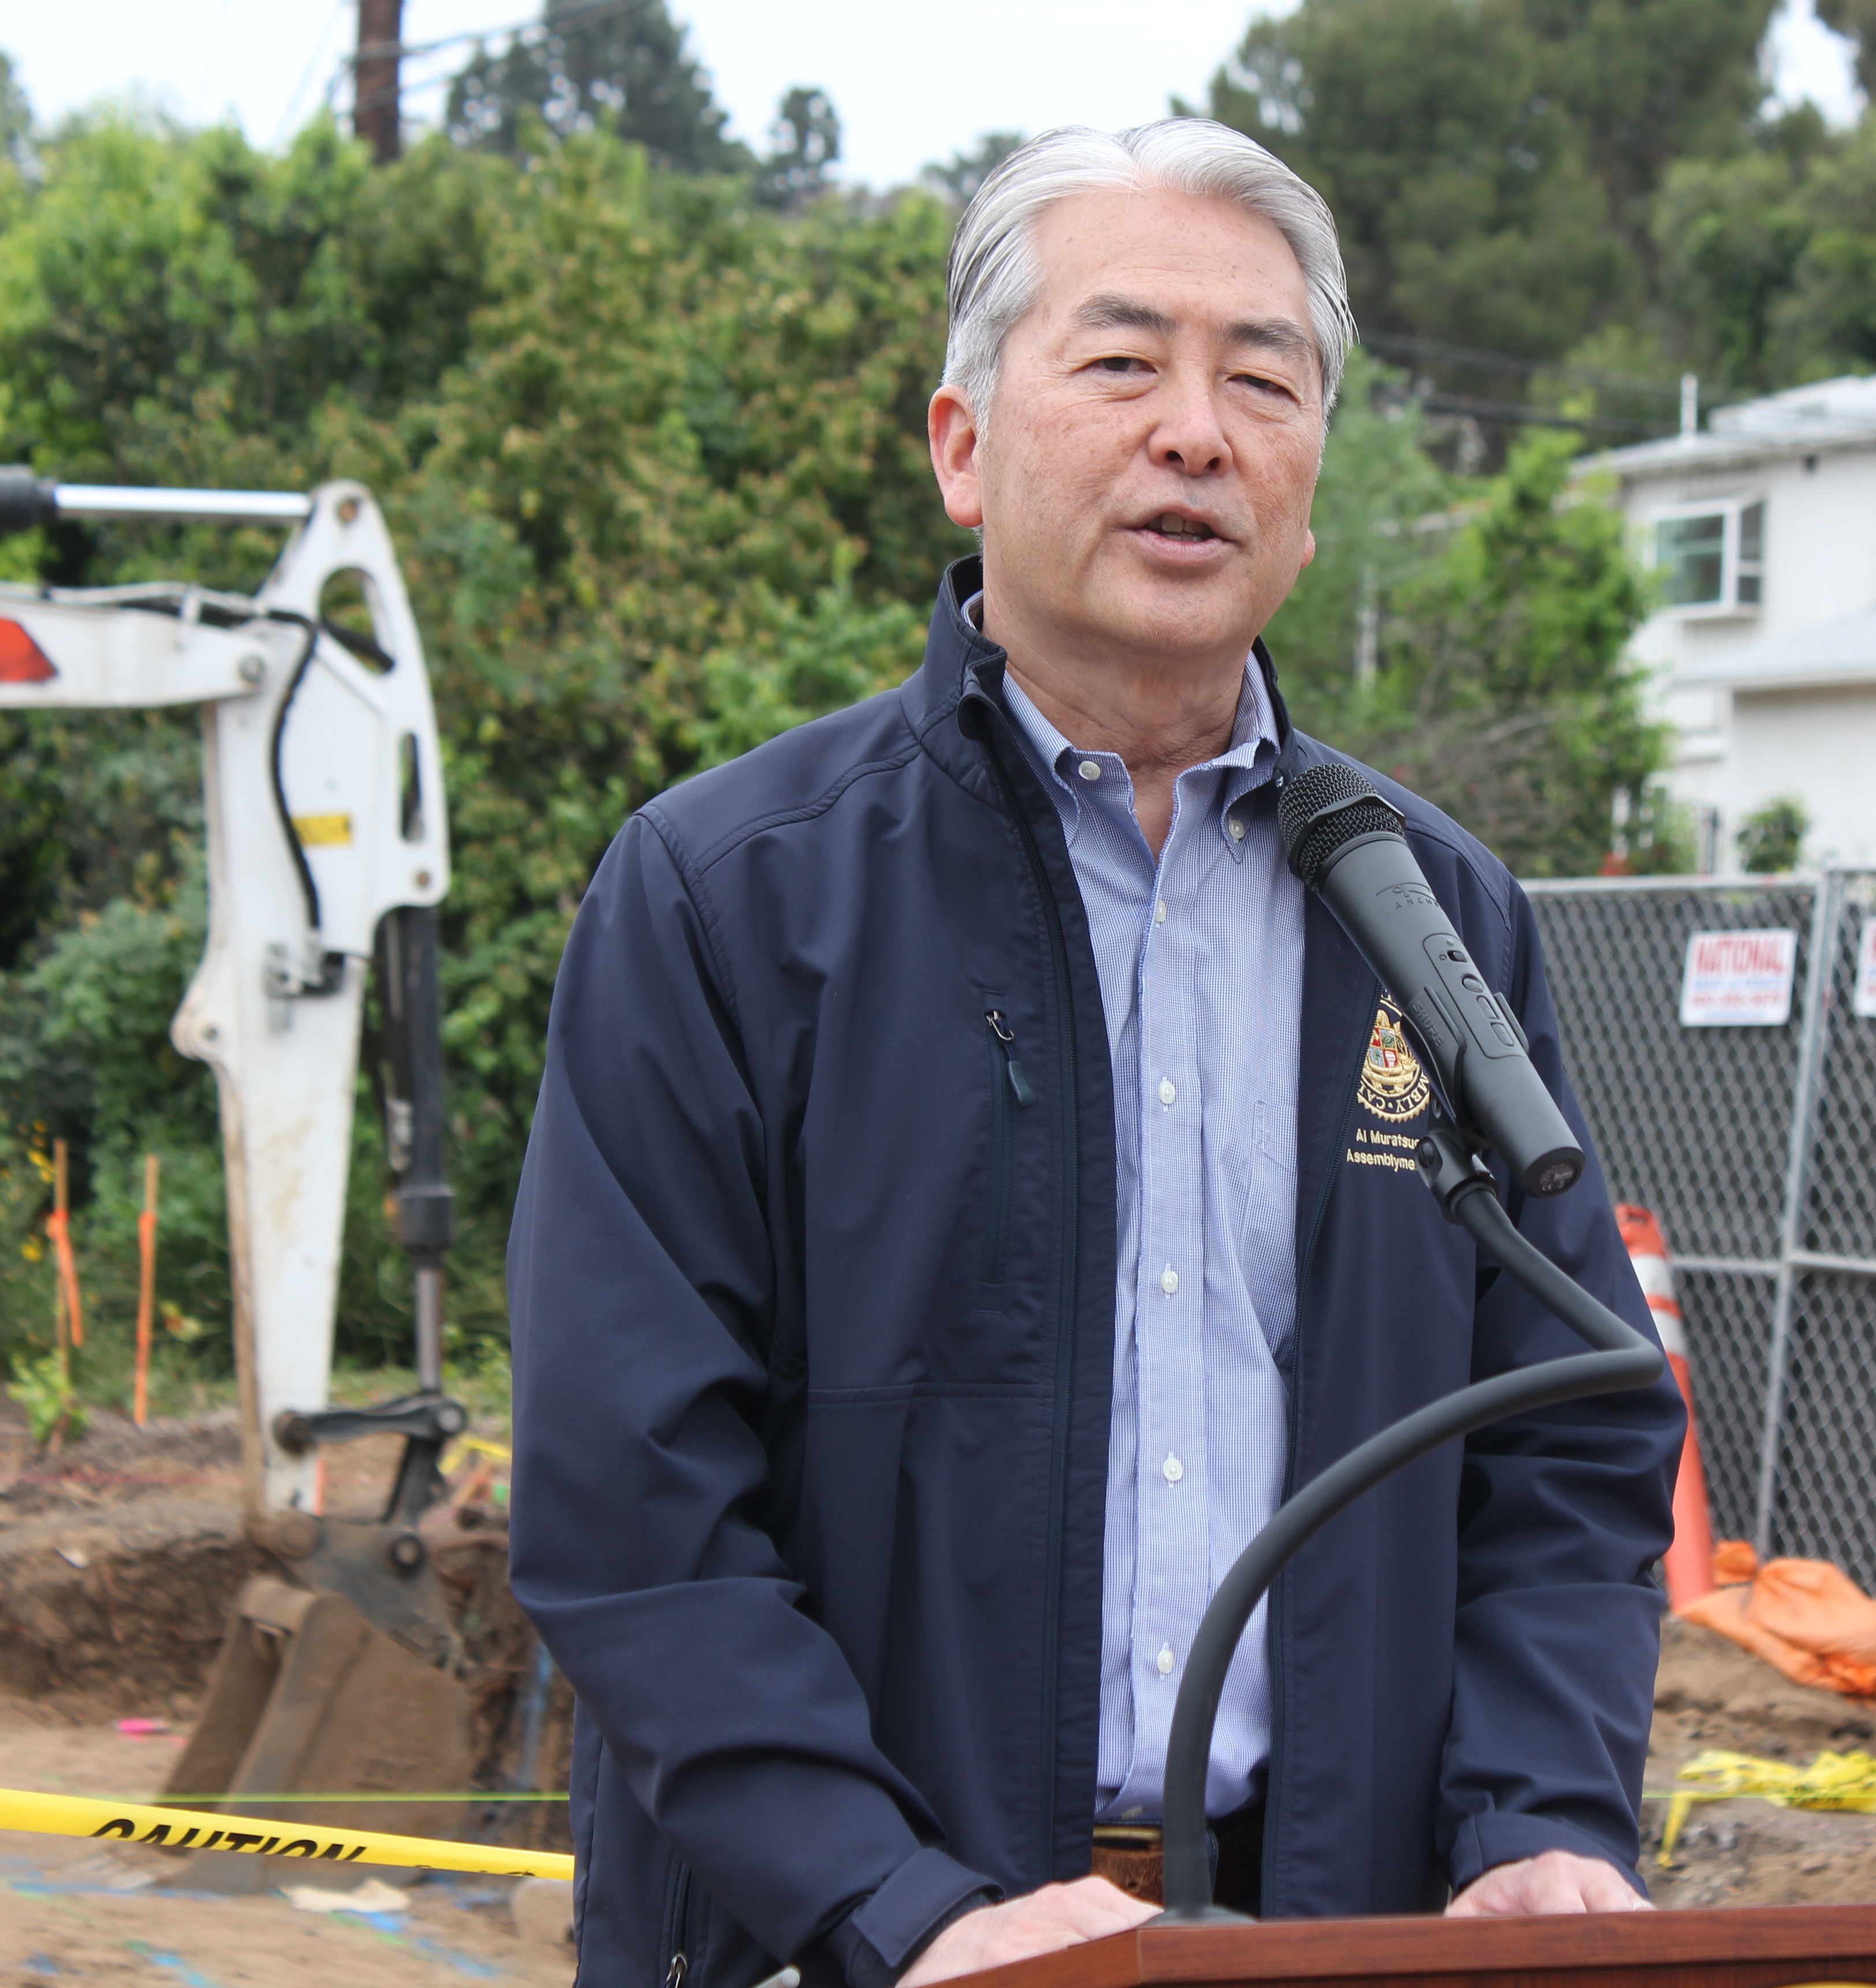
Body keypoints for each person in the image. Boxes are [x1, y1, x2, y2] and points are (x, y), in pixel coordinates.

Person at [507, 118, 1682, 1988]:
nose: (1196, 432)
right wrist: (903, 1906)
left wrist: (1540, 1821)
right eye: (1124, 361)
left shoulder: (1433, 915)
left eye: (1262, 378)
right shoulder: (730, 898)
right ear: (963, 447)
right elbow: (631, 1507)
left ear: (1308, 477)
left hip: (1329, 1939)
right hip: (854, 1952)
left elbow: (1567, 1445)